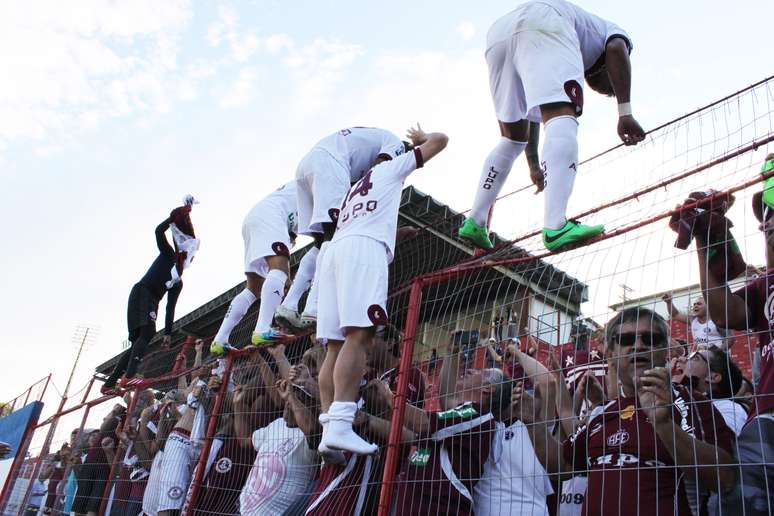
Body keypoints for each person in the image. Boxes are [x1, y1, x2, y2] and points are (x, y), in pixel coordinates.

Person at [458, 0, 645, 252]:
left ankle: (475, 221)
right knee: (562, 117)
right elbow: (617, 48)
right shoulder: (607, 33)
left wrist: (534, 164)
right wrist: (625, 112)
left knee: (512, 137)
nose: (603, 91)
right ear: (607, 72)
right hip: (545, 21)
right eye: (608, 88)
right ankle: (556, 226)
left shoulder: (570, 46)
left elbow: (532, 113)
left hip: (500, 34)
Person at [315, 125, 448, 456]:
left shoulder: (352, 190)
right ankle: (343, 425)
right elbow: (441, 142)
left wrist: (395, 234)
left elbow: (366, 221)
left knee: (334, 347)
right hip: (363, 250)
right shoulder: (390, 168)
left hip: (334, 253)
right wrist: (420, 140)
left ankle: (329, 428)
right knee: (359, 336)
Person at [564, 308, 736, 516]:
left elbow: (725, 479)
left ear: (664, 350)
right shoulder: (604, 412)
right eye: (626, 339)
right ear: (611, 354)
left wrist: (664, 425)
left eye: (650, 338)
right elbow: (560, 465)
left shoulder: (694, 402)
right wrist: (529, 421)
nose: (638, 346)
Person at [275, 126, 409, 331]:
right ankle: (314, 306)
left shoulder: (372, 140)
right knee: (336, 236)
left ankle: (289, 304)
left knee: (321, 243)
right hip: (330, 163)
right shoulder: (398, 145)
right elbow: (380, 172)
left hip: (308, 166)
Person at [698, 160, 774, 515]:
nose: (767, 221)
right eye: (767, 215)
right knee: (736, 505)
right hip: (768, 418)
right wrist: (705, 239)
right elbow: (723, 312)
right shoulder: (765, 287)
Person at [393, 334, 503, 516]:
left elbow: (423, 423)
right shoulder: (458, 416)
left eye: (480, 372)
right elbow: (446, 397)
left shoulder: (477, 413)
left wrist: (390, 399)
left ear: (487, 388)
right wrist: (452, 352)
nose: (470, 370)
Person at [102, 198, 199, 393]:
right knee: (146, 334)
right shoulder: (168, 254)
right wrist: (171, 220)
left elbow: (170, 308)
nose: (191, 256)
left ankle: (109, 384)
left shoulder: (178, 281)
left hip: (151, 301)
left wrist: (168, 334)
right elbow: (158, 231)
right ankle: (128, 376)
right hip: (142, 292)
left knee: (138, 342)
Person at [210, 181, 299, 354]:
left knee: (253, 288)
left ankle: (219, 340)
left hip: (255, 217)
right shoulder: (325, 187)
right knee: (278, 269)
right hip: (272, 215)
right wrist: (286, 278)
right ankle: (263, 329)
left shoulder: (295, 192)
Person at [662, 292, 729, 349]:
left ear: (708, 306)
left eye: (699, 304)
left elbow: (730, 339)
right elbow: (675, 315)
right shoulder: (693, 320)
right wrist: (669, 302)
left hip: (718, 358)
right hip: (704, 359)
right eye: (694, 304)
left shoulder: (717, 321)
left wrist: (716, 352)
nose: (695, 306)